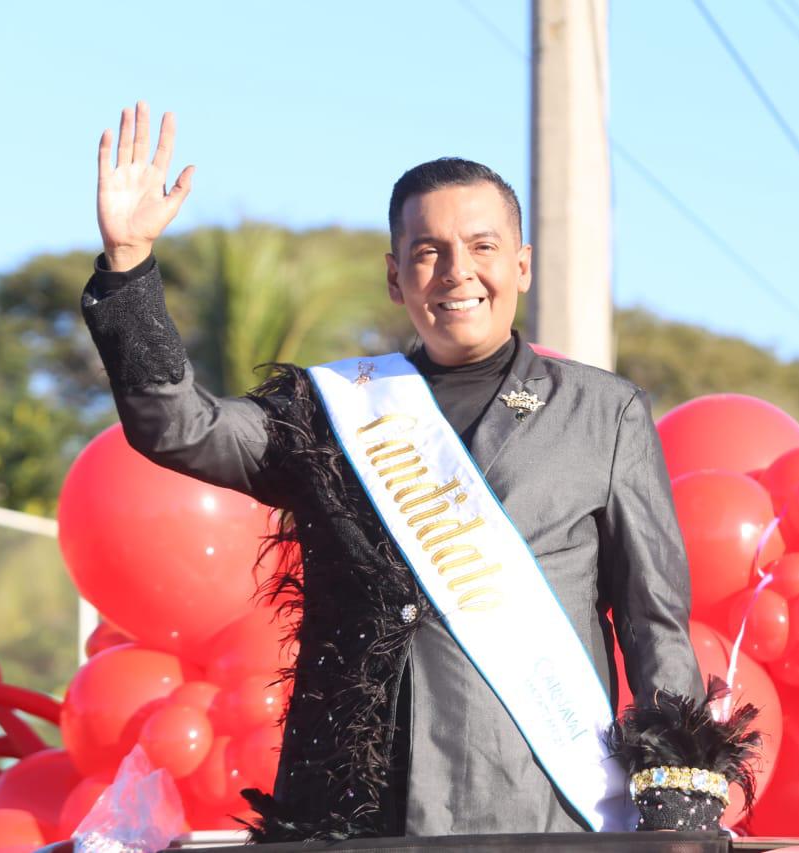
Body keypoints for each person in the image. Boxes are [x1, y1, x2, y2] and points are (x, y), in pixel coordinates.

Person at [81, 101, 702, 842]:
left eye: (482, 246)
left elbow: (652, 622)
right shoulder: (331, 408)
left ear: (522, 265)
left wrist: (677, 802)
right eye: (429, 251)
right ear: (394, 275)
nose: (458, 271)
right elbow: (177, 425)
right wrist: (129, 265)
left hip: (536, 806)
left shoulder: (605, 414)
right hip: (352, 809)